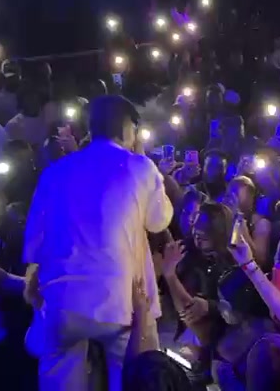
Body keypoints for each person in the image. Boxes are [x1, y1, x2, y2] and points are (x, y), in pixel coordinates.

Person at [23, 95, 173, 391]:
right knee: (135, 380)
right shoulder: (139, 167)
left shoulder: (55, 171)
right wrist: (144, 161)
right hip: (121, 303)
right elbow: (160, 220)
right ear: (129, 128)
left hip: (62, 300)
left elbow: (34, 241)